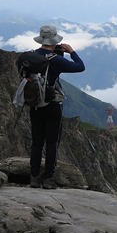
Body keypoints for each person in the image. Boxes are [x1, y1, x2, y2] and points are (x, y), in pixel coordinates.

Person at [29, 25, 85, 189]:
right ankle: (47, 178)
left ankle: (33, 177)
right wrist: (72, 52)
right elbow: (80, 67)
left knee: (36, 142)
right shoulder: (56, 60)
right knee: (52, 142)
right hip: (52, 104)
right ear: (54, 40)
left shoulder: (31, 57)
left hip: (35, 104)